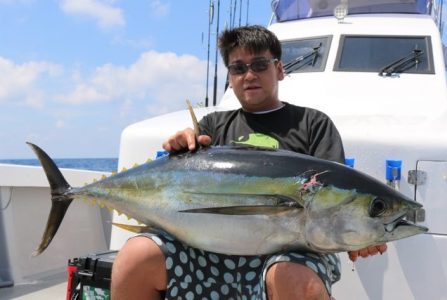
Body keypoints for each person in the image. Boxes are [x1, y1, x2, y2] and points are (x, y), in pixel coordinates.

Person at [111, 25, 387, 300]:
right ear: (230, 78)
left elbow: (336, 200)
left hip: (293, 253)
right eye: (238, 68)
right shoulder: (212, 127)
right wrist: (180, 149)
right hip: (208, 251)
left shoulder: (313, 124)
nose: (249, 75)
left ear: (279, 69)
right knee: (136, 256)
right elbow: (181, 189)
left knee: (293, 277)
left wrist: (359, 234)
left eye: (259, 64)